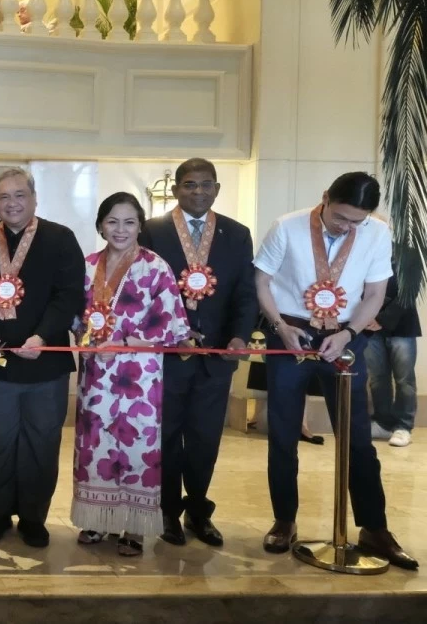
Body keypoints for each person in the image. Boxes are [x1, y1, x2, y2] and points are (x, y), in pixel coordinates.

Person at [254, 171, 417, 569]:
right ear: (325, 198)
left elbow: (375, 292)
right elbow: (261, 281)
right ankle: (284, 520)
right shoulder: (287, 226)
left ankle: (374, 528)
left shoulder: (376, 233)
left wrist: (349, 333)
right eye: (340, 217)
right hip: (290, 332)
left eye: (356, 222)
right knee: (283, 431)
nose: (347, 228)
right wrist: (280, 327)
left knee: (357, 437)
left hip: (344, 338)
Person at [140, 158, 257, 548]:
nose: (198, 192)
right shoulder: (152, 231)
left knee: (206, 437)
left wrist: (240, 337)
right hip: (168, 357)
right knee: (168, 436)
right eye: (190, 185)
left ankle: (199, 512)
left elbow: (245, 292)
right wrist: (168, 330)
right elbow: (142, 292)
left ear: (217, 189)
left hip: (217, 357)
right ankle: (168, 512)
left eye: (206, 185)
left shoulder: (236, 234)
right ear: (175, 190)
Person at [0, 167, 84, 547]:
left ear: (34, 198)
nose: (12, 203)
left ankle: (33, 517)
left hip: (45, 365)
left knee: (41, 443)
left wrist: (43, 336)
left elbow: (68, 296)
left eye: (19, 195)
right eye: (3, 197)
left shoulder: (61, 239)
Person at [71, 192, 190, 557]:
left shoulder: (156, 267)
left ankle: (134, 527)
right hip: (96, 377)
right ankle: (98, 519)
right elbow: (76, 317)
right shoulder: (88, 266)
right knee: (96, 447)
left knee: (136, 448)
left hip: (139, 379)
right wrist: (83, 333)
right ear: (100, 225)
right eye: (112, 221)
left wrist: (126, 337)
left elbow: (174, 324)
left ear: (140, 225)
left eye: (129, 222)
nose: (120, 230)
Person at [367, 258, 419, 447]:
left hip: (401, 327)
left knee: (404, 379)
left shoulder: (407, 255)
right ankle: (382, 422)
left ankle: (403, 426)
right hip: (369, 327)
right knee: (377, 378)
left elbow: (409, 291)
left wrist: (382, 318)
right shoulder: (363, 252)